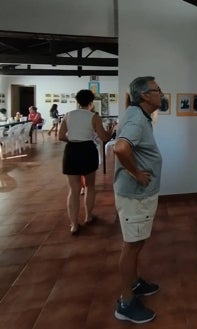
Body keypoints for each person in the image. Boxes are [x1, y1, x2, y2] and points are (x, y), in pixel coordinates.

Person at [113, 76, 163, 324]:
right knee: (131, 245)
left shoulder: (137, 115)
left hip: (139, 194)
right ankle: (126, 302)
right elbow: (121, 148)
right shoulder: (136, 119)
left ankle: (133, 283)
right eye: (157, 90)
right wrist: (136, 173)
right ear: (145, 95)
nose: (161, 93)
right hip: (135, 194)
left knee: (137, 240)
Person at [58, 89, 114, 234]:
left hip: (71, 151)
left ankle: (74, 225)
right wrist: (112, 130)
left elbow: (61, 136)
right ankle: (88, 217)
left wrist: (73, 139)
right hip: (87, 150)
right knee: (90, 186)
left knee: (74, 190)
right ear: (91, 102)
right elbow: (103, 137)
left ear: (77, 101)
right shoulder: (94, 117)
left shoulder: (68, 115)